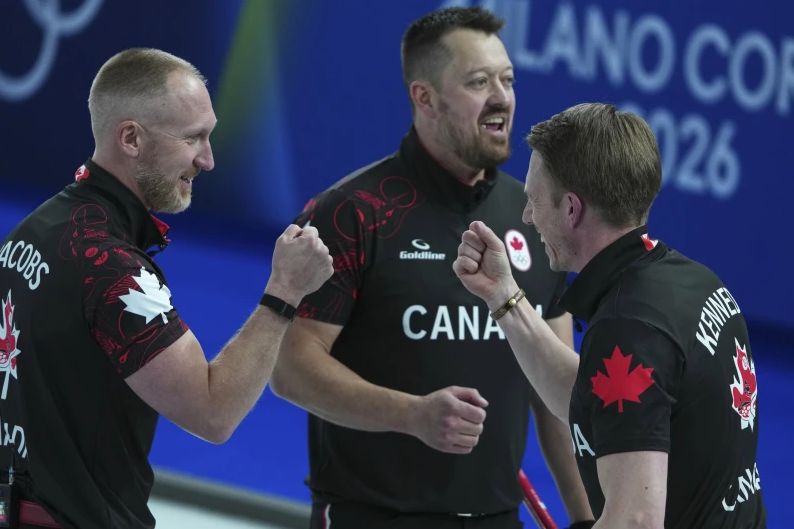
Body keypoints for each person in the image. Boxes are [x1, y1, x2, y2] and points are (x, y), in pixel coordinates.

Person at [270, 7, 594, 529]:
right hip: (372, 516)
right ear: (425, 98)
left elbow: (556, 394)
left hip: (495, 518)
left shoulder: (535, 218)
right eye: (478, 82)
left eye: (507, 80)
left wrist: (590, 520)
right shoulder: (353, 213)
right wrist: (410, 414)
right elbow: (290, 368)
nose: (502, 97)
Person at [0, 48, 334, 529]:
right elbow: (213, 411)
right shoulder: (111, 268)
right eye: (193, 138)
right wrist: (285, 290)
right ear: (131, 138)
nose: (208, 159)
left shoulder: (28, 233)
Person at [453, 102, 768, 528]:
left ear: (571, 209)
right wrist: (504, 296)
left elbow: (634, 521)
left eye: (534, 200)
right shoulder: (694, 282)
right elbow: (594, 404)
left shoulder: (629, 329)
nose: (527, 217)